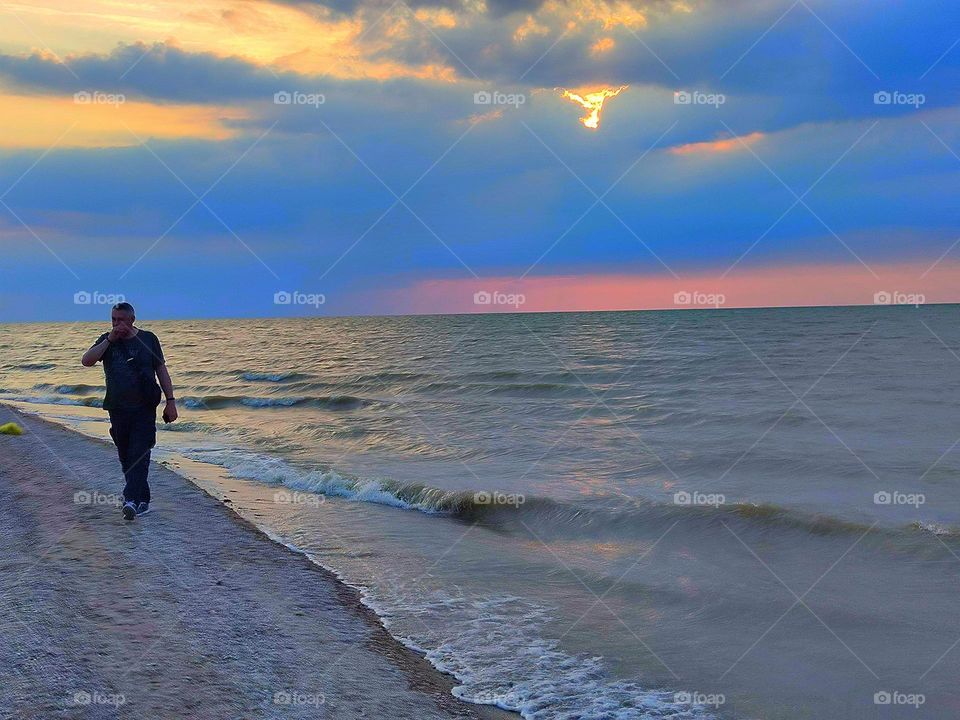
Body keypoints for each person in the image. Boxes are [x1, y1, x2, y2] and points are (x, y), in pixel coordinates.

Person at [81, 302, 178, 521]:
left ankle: (130, 500)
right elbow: (86, 361)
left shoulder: (148, 338)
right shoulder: (107, 340)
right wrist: (109, 340)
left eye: (121, 320)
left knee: (140, 452)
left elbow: (161, 369)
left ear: (132, 319)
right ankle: (142, 499)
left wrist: (170, 401)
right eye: (114, 319)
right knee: (125, 455)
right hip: (116, 407)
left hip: (144, 407)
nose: (117, 324)